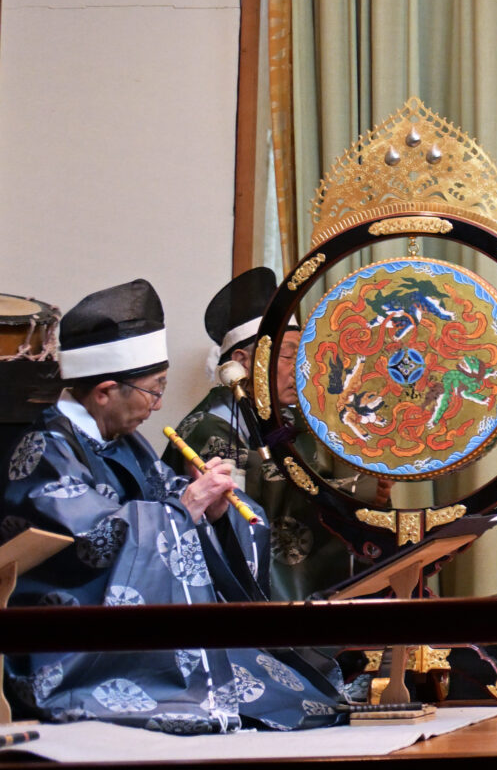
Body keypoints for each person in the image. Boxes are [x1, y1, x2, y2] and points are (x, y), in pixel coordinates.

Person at [0, 279, 347, 732]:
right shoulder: (45, 444)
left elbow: (170, 494)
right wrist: (181, 511)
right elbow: (87, 540)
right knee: (212, 698)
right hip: (73, 625)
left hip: (138, 617)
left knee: (293, 695)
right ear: (105, 391)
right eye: (153, 390)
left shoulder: (126, 440)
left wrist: (216, 510)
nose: (160, 404)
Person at [166, 267, 365, 601]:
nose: (300, 368)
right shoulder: (209, 427)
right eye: (288, 355)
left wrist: (367, 490)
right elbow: (255, 511)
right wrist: (352, 492)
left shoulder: (293, 419)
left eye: (301, 355)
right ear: (242, 362)